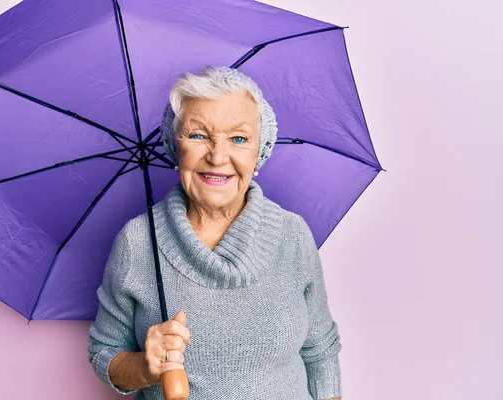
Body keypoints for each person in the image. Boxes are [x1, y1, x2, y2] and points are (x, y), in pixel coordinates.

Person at [87, 66, 343, 399]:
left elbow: (320, 351)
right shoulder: (137, 243)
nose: (217, 156)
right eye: (197, 135)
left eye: (238, 138)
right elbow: (105, 352)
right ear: (175, 145)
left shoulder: (292, 234)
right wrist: (144, 368)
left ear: (259, 150)